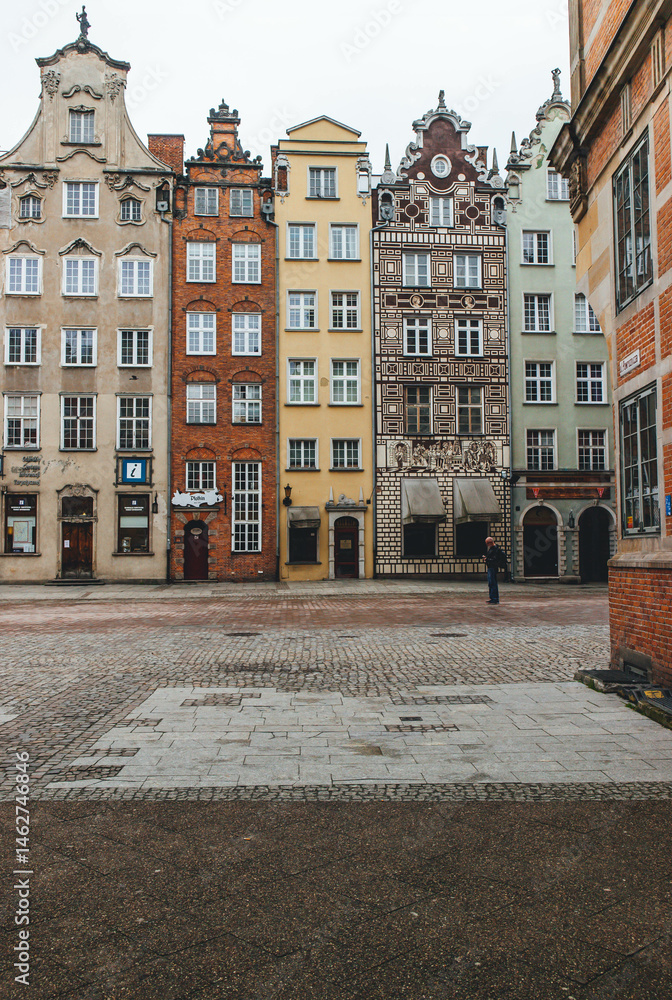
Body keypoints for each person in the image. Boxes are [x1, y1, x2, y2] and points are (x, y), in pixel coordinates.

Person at [483, 536, 505, 605]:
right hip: (490, 567)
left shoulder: (495, 550)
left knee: (493, 583)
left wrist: (487, 559)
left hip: (493, 567)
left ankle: (494, 599)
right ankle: (492, 598)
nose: (487, 545)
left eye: (487, 543)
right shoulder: (492, 549)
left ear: (490, 543)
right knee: (491, 583)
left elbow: (494, 560)